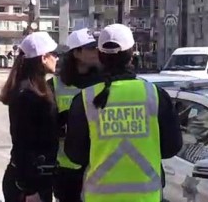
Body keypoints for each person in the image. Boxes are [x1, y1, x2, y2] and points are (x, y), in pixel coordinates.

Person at [64, 23, 183, 202]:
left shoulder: (85, 98)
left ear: (100, 55)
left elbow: (75, 154)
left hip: (99, 197)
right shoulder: (155, 95)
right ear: (131, 53)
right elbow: (171, 148)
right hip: (146, 196)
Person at [0, 32, 60, 202]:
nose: (57, 58)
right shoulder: (27, 94)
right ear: (43, 58)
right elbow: (23, 144)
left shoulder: (38, 89)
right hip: (28, 185)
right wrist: (30, 189)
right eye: (54, 54)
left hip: (38, 179)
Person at [47, 28, 102, 202]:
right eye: (92, 47)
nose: (97, 51)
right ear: (76, 53)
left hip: (99, 165)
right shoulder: (54, 86)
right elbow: (44, 129)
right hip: (68, 170)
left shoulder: (105, 83)